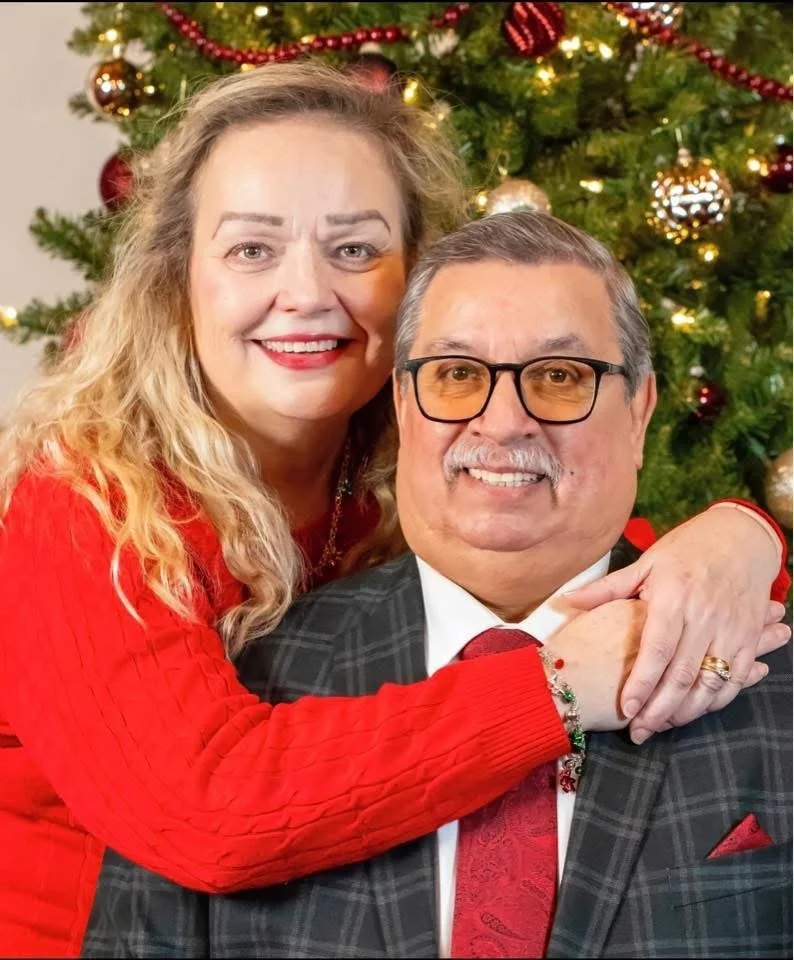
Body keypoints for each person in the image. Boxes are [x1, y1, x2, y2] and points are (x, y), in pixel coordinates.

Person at [0, 63, 788, 959]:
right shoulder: (89, 501)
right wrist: (555, 689)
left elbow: (584, 535)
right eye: (253, 249)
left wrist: (743, 537)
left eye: (354, 249)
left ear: (413, 275)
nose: (305, 293)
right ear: (178, 278)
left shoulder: (406, 439)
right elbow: (205, 813)